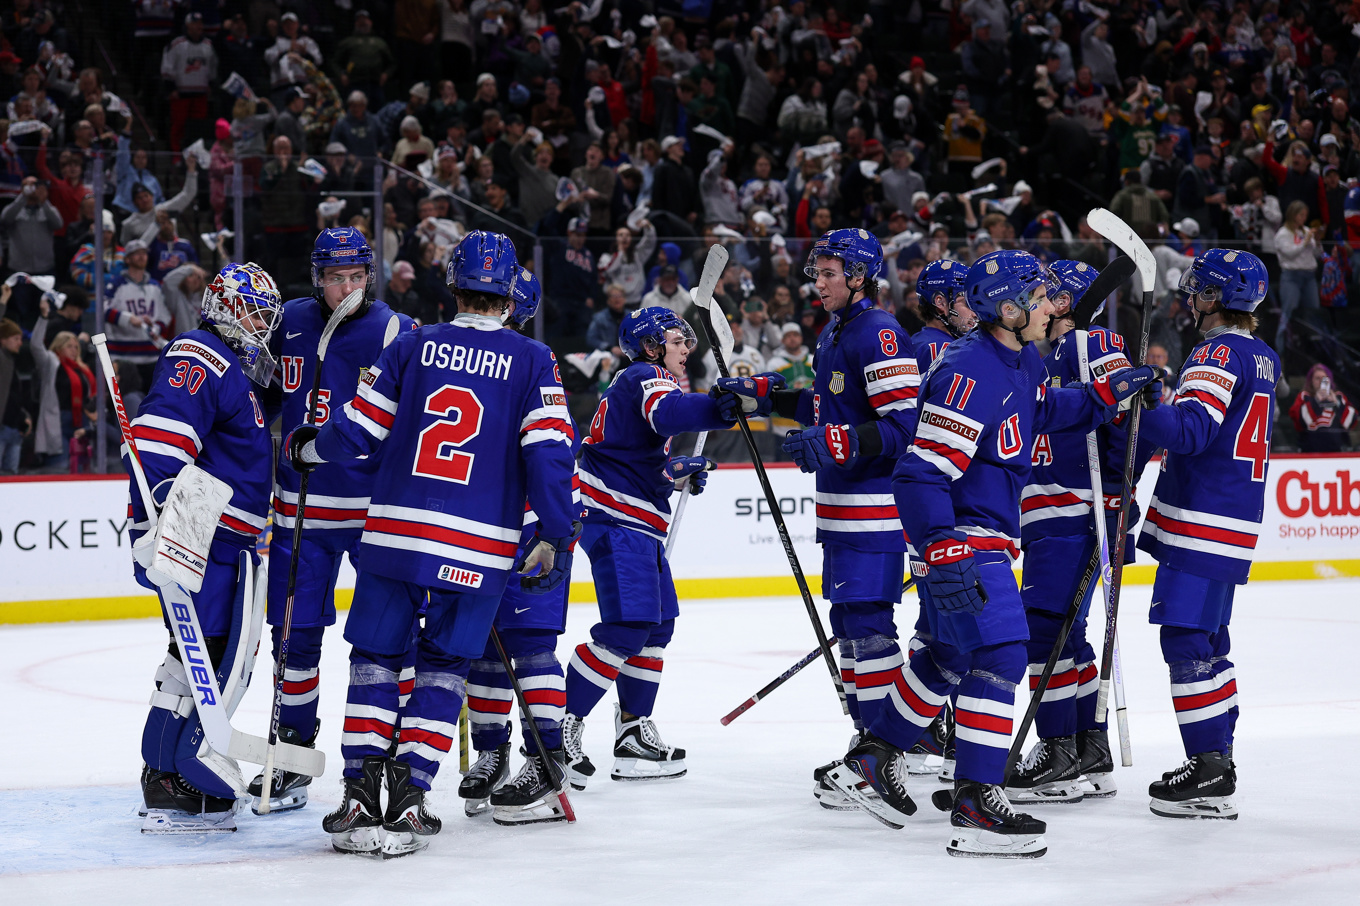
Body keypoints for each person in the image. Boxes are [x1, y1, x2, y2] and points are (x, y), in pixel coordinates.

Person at [838, 249, 1155, 855]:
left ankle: (873, 756)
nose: (1048, 305)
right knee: (1005, 655)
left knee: (949, 657)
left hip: (977, 537)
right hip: (964, 540)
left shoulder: (1021, 361)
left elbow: (1040, 413)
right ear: (1008, 309)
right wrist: (941, 547)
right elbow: (920, 473)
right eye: (1037, 298)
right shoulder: (970, 370)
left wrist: (1106, 394)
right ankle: (976, 799)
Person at [290, 231, 578, 857]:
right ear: (508, 294)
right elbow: (550, 454)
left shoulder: (414, 344)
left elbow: (359, 430)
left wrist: (310, 445)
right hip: (479, 548)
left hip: (394, 535)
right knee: (445, 670)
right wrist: (558, 531)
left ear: (453, 286)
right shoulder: (533, 360)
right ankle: (411, 798)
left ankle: (359, 794)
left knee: (374, 660)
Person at [724, 229, 923, 813]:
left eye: (830, 273)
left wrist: (835, 440)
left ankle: (883, 756)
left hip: (875, 509)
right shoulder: (834, 333)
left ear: (860, 276)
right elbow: (820, 406)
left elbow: (903, 429)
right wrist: (763, 399)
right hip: (840, 511)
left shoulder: (881, 332)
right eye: (818, 272)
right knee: (852, 626)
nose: (818, 281)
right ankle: (866, 750)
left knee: (867, 625)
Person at [246, 228, 415, 815]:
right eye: (334, 277)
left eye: (355, 276)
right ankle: (292, 751)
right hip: (299, 516)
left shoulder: (396, 330)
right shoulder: (287, 321)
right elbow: (260, 400)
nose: (346, 288)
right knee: (293, 641)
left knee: (392, 639)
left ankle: (393, 750)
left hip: (375, 516)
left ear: (370, 274)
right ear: (316, 277)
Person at [132, 262, 284, 832]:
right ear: (221, 306)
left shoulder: (235, 370)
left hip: (219, 540)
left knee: (188, 656)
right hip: (205, 539)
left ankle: (163, 774)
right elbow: (162, 436)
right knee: (217, 659)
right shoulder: (202, 354)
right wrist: (158, 523)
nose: (259, 324)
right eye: (251, 310)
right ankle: (186, 769)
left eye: (265, 315)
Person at [561, 307, 737, 788]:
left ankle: (633, 732)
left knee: (657, 625)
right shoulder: (646, 375)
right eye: (678, 340)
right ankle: (558, 730)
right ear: (653, 344)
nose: (687, 349)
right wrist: (729, 404)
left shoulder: (638, 380)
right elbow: (672, 413)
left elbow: (633, 460)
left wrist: (673, 472)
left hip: (633, 521)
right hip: (616, 522)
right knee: (628, 626)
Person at [1135, 249, 1280, 820]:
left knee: (1186, 642)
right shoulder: (1263, 356)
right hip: (1234, 521)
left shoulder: (1216, 351)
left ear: (1215, 298)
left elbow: (1191, 431)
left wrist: (1140, 402)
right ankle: (1218, 756)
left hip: (1202, 520)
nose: (1189, 298)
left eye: (1198, 289)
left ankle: (1209, 766)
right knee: (1211, 642)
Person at [1007, 260, 1154, 805]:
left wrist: (1120, 494)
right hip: (1057, 515)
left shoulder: (1089, 344)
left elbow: (1127, 414)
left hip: (1075, 513)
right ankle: (1089, 749)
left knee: (1045, 632)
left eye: (1046, 293)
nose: (1037, 300)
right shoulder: (1043, 355)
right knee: (1069, 634)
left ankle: (1057, 753)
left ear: (1065, 302)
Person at [458, 268, 583, 824]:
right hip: (482, 532)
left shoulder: (535, 364)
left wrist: (556, 533)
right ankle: (493, 751)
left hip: (532, 532)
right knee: (485, 649)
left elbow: (554, 459)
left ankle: (546, 758)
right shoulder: (492, 360)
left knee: (530, 646)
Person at [103, 239, 172, 390]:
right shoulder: (116, 284)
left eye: (144, 253)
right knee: (130, 402)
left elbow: (164, 316)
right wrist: (128, 319)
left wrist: (154, 327)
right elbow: (103, 310)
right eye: (136, 254)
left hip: (151, 356)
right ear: (127, 259)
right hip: (123, 357)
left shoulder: (155, 286)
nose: (142, 257)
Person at [913, 260, 975, 370]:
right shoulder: (944, 350)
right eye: (967, 304)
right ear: (940, 303)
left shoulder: (918, 341)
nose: (975, 314)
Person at [1290, 364, 1355, 452]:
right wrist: (1316, 401)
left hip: (1337, 451)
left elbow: (1351, 422)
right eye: (1317, 378)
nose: (1321, 381)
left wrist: (1337, 403)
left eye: (1324, 378)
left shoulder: (1339, 397)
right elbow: (1299, 423)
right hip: (1309, 451)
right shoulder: (1304, 396)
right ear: (1311, 381)